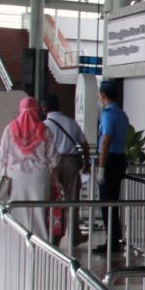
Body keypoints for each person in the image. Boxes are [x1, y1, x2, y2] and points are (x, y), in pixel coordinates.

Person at [0, 97, 59, 242]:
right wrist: (55, 179)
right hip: (39, 177)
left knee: (16, 208)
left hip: (15, 177)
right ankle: (39, 241)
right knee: (38, 210)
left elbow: (1, 156)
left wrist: (0, 171)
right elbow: (53, 158)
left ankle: (16, 239)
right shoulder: (44, 130)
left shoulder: (10, 129)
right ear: (36, 111)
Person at [42, 94, 91, 247]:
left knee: (52, 199)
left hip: (52, 164)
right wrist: (86, 163)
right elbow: (84, 144)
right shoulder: (71, 122)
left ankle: (51, 235)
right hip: (71, 161)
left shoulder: (44, 125)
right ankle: (74, 236)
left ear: (44, 108)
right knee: (72, 199)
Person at [96, 81, 129, 253]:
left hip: (110, 161)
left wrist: (101, 167)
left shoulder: (108, 115)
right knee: (113, 202)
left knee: (106, 202)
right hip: (120, 159)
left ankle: (112, 241)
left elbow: (106, 140)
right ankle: (114, 239)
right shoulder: (122, 114)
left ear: (103, 96)